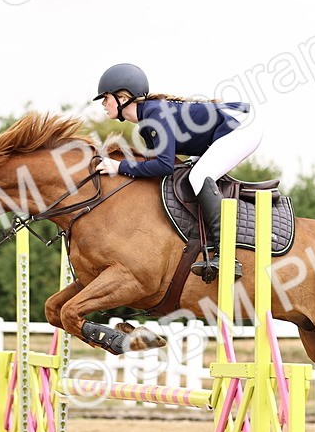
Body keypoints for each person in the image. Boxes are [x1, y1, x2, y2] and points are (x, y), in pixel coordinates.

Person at [92, 63, 262, 280]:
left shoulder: (153, 115)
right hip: (225, 131)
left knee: (199, 176)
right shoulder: (147, 120)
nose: (104, 104)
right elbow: (164, 165)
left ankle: (228, 256)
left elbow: (164, 166)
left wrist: (119, 166)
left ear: (123, 98)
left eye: (106, 98)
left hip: (242, 127)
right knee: (191, 174)